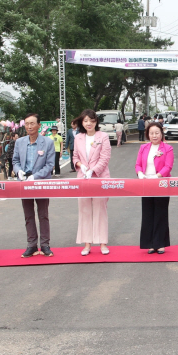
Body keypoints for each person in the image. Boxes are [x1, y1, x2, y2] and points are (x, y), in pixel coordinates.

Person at [12, 113, 56, 258]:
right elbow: (15, 161)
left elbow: (50, 165)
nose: (29, 126)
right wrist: (19, 172)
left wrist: (35, 177)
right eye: (27, 124)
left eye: (32, 123)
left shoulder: (48, 142)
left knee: (43, 214)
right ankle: (31, 245)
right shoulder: (20, 142)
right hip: (24, 184)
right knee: (28, 215)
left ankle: (45, 245)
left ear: (39, 125)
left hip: (41, 183)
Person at [72, 109, 112, 256]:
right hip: (83, 178)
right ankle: (87, 243)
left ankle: (102, 243)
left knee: (100, 209)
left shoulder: (103, 136)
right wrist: (80, 165)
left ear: (96, 121)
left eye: (92, 120)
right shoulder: (78, 138)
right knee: (84, 210)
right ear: (82, 122)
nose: (89, 123)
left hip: (100, 178)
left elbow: (105, 157)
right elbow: (75, 157)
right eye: (86, 121)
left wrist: (93, 170)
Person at [136, 121, 174, 254]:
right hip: (146, 184)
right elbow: (138, 164)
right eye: (151, 133)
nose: (154, 135)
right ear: (148, 134)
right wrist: (140, 173)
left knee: (161, 213)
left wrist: (157, 177)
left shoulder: (167, 148)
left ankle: (160, 243)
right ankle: (150, 243)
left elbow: (168, 166)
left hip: (161, 183)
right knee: (148, 213)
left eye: (157, 133)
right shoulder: (143, 148)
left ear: (161, 134)